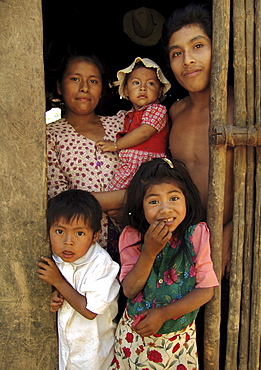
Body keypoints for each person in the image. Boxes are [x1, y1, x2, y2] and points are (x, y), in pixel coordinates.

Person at [110, 158, 219, 369]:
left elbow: (206, 290)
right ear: (140, 208)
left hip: (178, 342)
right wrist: (149, 252)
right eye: (153, 201)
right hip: (134, 341)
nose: (165, 209)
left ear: (187, 200)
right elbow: (130, 290)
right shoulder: (132, 237)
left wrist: (164, 314)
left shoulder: (196, 235)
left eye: (174, 198)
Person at [161, 3, 234, 278]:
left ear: (219, 49)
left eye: (198, 46)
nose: (187, 60)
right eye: (177, 53)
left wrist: (232, 231)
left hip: (236, 245)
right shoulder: (175, 113)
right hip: (185, 249)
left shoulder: (239, 108)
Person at [46, 53, 126, 256]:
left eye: (93, 81)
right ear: (59, 87)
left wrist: (131, 207)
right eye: (75, 79)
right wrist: (125, 197)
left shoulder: (122, 124)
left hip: (131, 238)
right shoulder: (49, 136)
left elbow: (148, 172)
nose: (84, 87)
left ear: (102, 89)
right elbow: (60, 201)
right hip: (82, 251)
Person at [36, 189, 120, 370]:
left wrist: (58, 282)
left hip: (93, 356)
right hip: (67, 353)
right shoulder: (57, 258)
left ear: (94, 236)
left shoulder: (102, 265)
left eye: (79, 233)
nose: (68, 241)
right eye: (59, 231)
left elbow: (90, 311)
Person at [96, 57, 171, 190]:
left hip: (148, 167)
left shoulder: (157, 110)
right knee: (116, 194)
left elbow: (143, 133)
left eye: (151, 84)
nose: (143, 88)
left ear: (159, 91)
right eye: (136, 83)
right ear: (126, 90)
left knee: (138, 197)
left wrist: (115, 145)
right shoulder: (126, 115)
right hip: (128, 167)